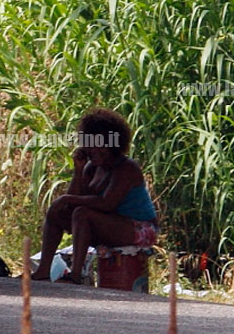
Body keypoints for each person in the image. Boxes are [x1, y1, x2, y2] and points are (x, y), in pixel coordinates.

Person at [30, 108, 158, 282]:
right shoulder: (92, 168)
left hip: (140, 228)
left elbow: (107, 204)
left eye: (100, 144)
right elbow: (72, 203)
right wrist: (78, 170)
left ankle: (76, 274)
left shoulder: (126, 168)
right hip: (109, 223)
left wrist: (68, 199)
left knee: (81, 213)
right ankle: (43, 270)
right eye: (89, 144)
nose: (93, 150)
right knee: (57, 211)